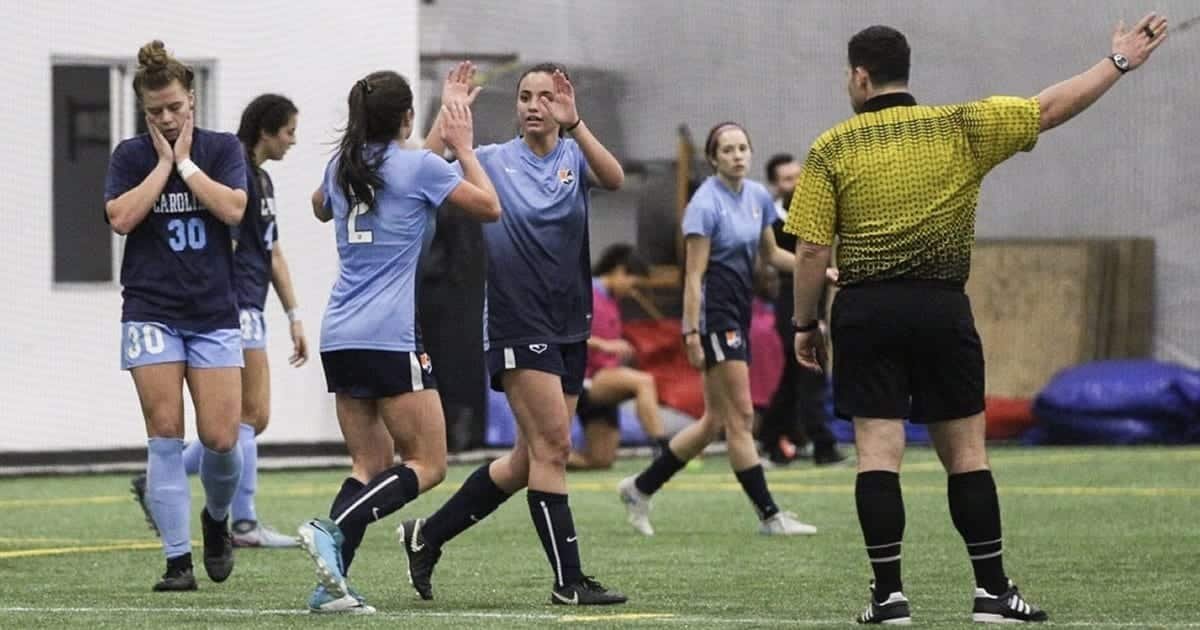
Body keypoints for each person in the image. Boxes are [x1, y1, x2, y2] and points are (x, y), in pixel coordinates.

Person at [786, 17, 1168, 625]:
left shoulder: (834, 147)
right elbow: (1048, 108)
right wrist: (1118, 62)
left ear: (860, 77)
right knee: (967, 455)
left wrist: (805, 324)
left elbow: (809, 250)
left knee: (877, 454)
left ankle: (888, 597)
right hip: (941, 309)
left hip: (867, 310)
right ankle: (992, 591)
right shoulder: (961, 125)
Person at [399, 61, 628, 606]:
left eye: (544, 97)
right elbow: (426, 164)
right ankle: (568, 582)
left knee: (529, 461)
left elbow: (616, 179)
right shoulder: (495, 160)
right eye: (525, 96)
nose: (532, 105)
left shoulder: (574, 155)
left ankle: (426, 535)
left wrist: (578, 124)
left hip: (571, 321)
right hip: (515, 321)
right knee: (553, 448)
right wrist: (450, 111)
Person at [297, 70, 500, 614]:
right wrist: (463, 146)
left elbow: (323, 203)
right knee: (428, 463)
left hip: (339, 335)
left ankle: (330, 586)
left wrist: (440, 120)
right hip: (390, 337)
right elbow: (488, 205)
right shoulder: (419, 166)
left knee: (369, 466)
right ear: (406, 118)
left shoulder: (343, 167)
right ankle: (331, 527)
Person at [616, 122, 818, 538]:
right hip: (716, 317)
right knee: (742, 417)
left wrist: (816, 267)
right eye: (728, 150)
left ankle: (640, 487)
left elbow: (772, 254)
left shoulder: (758, 195)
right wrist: (690, 332)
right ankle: (769, 516)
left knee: (712, 423)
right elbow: (693, 277)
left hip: (740, 311)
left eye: (743, 147)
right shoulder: (704, 206)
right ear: (713, 159)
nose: (738, 155)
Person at [129, 94, 307, 549]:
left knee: (248, 420)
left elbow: (273, 251)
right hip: (234, 305)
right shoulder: (231, 172)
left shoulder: (261, 179)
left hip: (253, 304)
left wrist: (294, 314)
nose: (292, 140)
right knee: (246, 418)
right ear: (267, 130)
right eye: (289, 130)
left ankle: (160, 486)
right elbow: (217, 241)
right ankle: (243, 523)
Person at [104, 40, 247, 591]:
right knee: (164, 434)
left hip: (212, 312)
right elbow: (121, 218)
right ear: (143, 111)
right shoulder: (129, 157)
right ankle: (176, 562)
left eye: (175, 108)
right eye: (155, 111)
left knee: (221, 438)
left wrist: (185, 162)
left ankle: (216, 520)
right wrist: (162, 165)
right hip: (151, 310)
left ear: (193, 101)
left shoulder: (221, 148)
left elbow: (233, 208)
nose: (166, 118)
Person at [761, 155, 844, 465]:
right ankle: (822, 443)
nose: (796, 184)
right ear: (775, 185)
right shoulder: (772, 220)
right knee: (811, 370)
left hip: (819, 298)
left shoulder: (817, 210)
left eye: (799, 176)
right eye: (787, 179)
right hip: (791, 302)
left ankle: (772, 438)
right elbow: (778, 258)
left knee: (793, 377)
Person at [569, 243, 669, 470]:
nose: (633, 292)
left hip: (605, 383)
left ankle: (533, 461)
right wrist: (604, 345)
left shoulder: (613, 303)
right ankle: (663, 448)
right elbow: (567, 333)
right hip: (587, 380)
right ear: (619, 271)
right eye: (633, 284)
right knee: (644, 382)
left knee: (600, 460)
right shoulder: (585, 292)